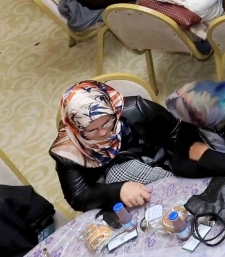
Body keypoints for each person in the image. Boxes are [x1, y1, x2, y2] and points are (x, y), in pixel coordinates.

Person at [48, 80, 191, 213]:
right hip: (113, 190)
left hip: (163, 164)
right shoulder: (67, 150)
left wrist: (174, 166)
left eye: (107, 122)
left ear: (113, 110)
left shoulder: (137, 108)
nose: (103, 132)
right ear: (75, 129)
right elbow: (78, 196)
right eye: (91, 130)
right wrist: (118, 190)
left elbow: (177, 134)